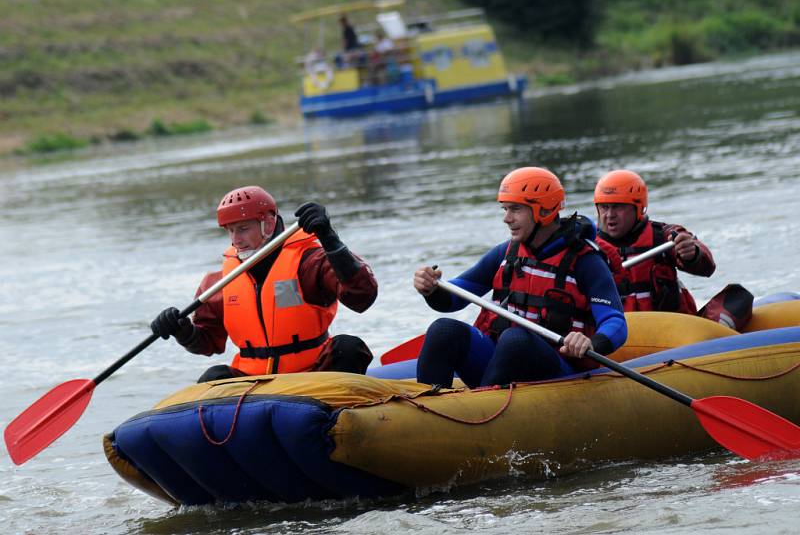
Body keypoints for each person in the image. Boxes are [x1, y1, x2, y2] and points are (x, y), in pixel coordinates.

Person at [413, 167, 627, 389]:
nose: (506, 218)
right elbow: (454, 298)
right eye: (505, 209)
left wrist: (590, 342)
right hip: (504, 364)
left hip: (559, 372)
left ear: (543, 211)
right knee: (443, 330)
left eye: (515, 209)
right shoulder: (507, 252)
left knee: (516, 340)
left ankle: (485, 411)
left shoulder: (586, 261)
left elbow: (616, 322)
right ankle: (429, 410)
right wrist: (431, 287)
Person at [151, 186, 376, 382]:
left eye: (243, 228)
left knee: (349, 348)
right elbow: (208, 343)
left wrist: (329, 238)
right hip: (255, 381)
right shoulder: (219, 281)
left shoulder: (311, 261)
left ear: (268, 223)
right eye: (230, 230)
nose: (235, 240)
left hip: (313, 373)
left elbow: (362, 297)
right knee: (213, 377)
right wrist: (181, 330)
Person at [594, 169, 715, 315]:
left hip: (670, 328)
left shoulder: (664, 236)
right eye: (604, 207)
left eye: (618, 207)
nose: (610, 215)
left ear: (638, 208)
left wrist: (692, 254)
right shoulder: (588, 247)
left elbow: (708, 267)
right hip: (621, 332)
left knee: (738, 296)